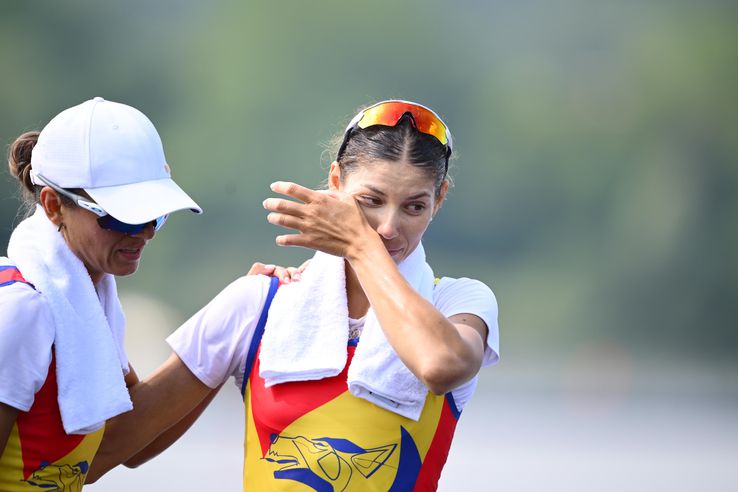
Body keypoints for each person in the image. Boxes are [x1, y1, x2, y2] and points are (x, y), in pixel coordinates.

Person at [89, 100, 500, 491]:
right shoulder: (259, 304)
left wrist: (360, 245)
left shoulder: (459, 302)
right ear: (336, 181)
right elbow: (117, 451)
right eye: (370, 202)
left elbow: (441, 366)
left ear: (439, 199)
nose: (389, 228)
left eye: (414, 207)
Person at [0, 96, 204, 491]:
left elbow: (130, 441)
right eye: (122, 216)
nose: (144, 232)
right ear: (54, 205)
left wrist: (232, 326)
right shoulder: (21, 312)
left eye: (154, 215)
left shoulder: (87, 304)